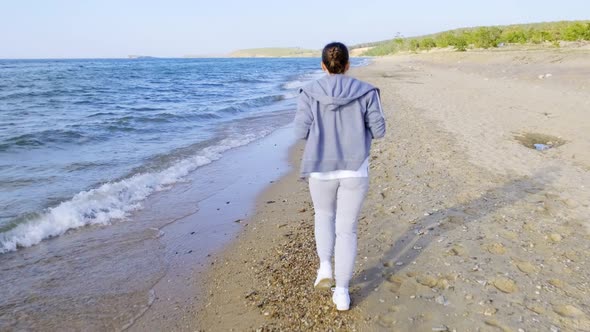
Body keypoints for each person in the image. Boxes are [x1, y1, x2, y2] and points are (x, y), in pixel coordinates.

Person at [294, 42, 386, 311]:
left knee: (323, 216)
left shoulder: (309, 92)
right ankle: (342, 293)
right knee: (347, 230)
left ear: (323, 66)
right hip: (355, 168)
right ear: (348, 65)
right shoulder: (367, 92)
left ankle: (324, 268)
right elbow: (379, 131)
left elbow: (300, 132)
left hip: (320, 166)